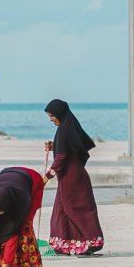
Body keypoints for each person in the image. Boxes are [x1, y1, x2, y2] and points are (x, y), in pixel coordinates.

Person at [44, 99, 104, 256]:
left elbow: (62, 157)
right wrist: (53, 146)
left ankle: (92, 242)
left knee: (76, 209)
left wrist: (48, 175)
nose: (50, 119)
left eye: (51, 115)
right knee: (61, 210)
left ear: (59, 113)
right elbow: (69, 149)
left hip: (72, 178)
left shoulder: (64, 131)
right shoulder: (66, 128)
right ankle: (63, 245)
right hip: (70, 177)